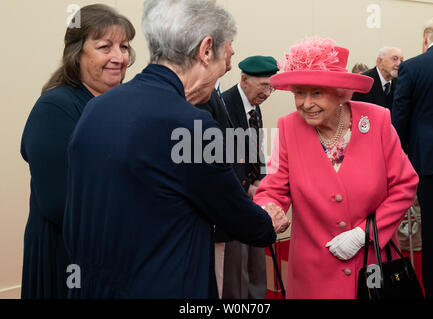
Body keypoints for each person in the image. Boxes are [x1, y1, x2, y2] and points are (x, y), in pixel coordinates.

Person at [62, 0, 289, 299]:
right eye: (226, 62)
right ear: (206, 50)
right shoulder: (191, 126)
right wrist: (267, 222)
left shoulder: (97, 107)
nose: (226, 71)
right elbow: (238, 217)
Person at [252, 36, 419, 299]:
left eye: (316, 93)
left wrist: (362, 236)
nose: (306, 103)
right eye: (299, 93)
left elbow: (404, 184)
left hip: (372, 267)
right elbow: (274, 188)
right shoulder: (288, 128)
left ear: (341, 93)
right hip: (313, 274)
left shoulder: (377, 120)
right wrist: (268, 208)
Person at [19, 4, 136, 299]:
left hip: (112, 255)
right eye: (104, 46)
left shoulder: (119, 105)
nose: (119, 57)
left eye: (124, 46)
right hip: (67, 256)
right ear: (77, 53)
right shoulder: (55, 107)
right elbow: (61, 204)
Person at [392, 18, 433, 298]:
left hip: (431, 163)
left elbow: (399, 120)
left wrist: (399, 155)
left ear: (426, 38)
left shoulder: (413, 67)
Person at [221, 56, 279, 299]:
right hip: (232, 197)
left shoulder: (254, 106)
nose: (267, 93)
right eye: (263, 85)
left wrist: (262, 184)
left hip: (253, 195)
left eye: (272, 87)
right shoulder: (225, 104)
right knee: (235, 266)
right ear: (244, 80)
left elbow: (255, 149)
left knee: (256, 258)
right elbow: (223, 156)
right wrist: (246, 187)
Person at [195, 49, 235, 298]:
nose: (232, 51)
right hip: (210, 214)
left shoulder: (216, 92)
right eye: (228, 45)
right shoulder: (200, 97)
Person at [352, 47, 403, 111]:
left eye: (401, 60)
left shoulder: (401, 83)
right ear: (379, 61)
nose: (399, 64)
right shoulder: (362, 82)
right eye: (394, 59)